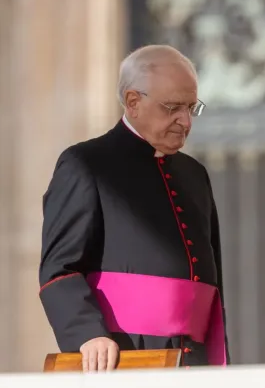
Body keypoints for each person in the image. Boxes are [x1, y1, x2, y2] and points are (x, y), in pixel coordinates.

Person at [39, 45, 229, 371]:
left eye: (191, 108)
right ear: (133, 102)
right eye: (172, 108)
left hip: (195, 358)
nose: (184, 120)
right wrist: (87, 334)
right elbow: (59, 269)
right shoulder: (87, 164)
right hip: (127, 351)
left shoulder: (194, 174)